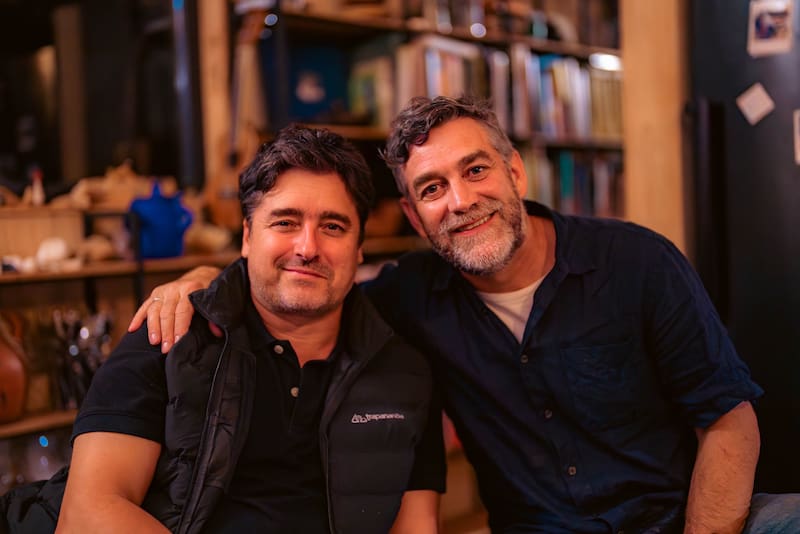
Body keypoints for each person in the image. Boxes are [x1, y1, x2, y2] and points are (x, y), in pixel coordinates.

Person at [129, 96, 800, 533]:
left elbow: (729, 421)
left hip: (686, 518)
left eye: (476, 171)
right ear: (414, 215)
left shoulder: (637, 262)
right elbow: (305, 280)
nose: (459, 200)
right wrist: (198, 283)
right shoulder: (408, 300)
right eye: (432, 188)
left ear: (515, 173)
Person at [1, 125, 445, 534]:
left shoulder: (405, 373)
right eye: (285, 222)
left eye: (332, 226)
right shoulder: (169, 334)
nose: (308, 247)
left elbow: (417, 527)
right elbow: (89, 514)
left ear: (359, 247)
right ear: (248, 236)